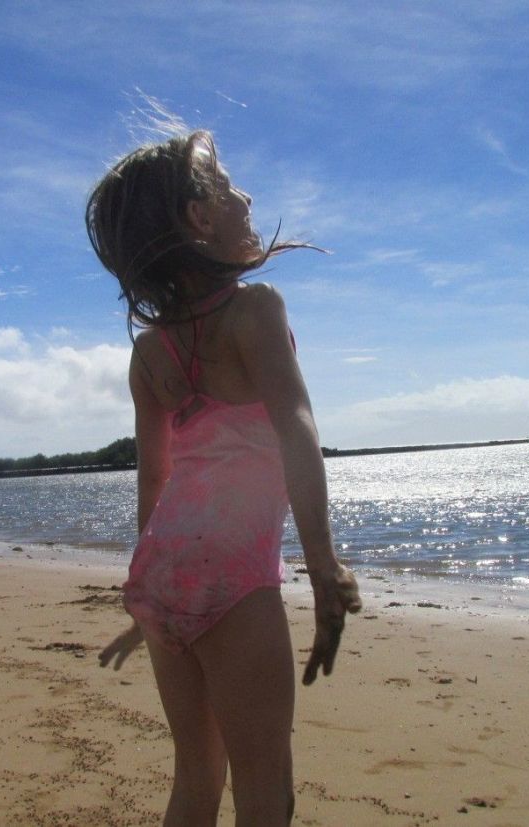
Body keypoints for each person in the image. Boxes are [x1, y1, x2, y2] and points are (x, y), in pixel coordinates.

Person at [85, 129, 362, 826]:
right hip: (232, 577)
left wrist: (147, 602)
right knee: (266, 786)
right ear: (199, 217)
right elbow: (297, 431)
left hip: (164, 570)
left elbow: (156, 482)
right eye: (230, 184)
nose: (247, 196)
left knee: (196, 774)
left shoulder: (150, 353)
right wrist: (325, 569)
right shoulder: (255, 310)